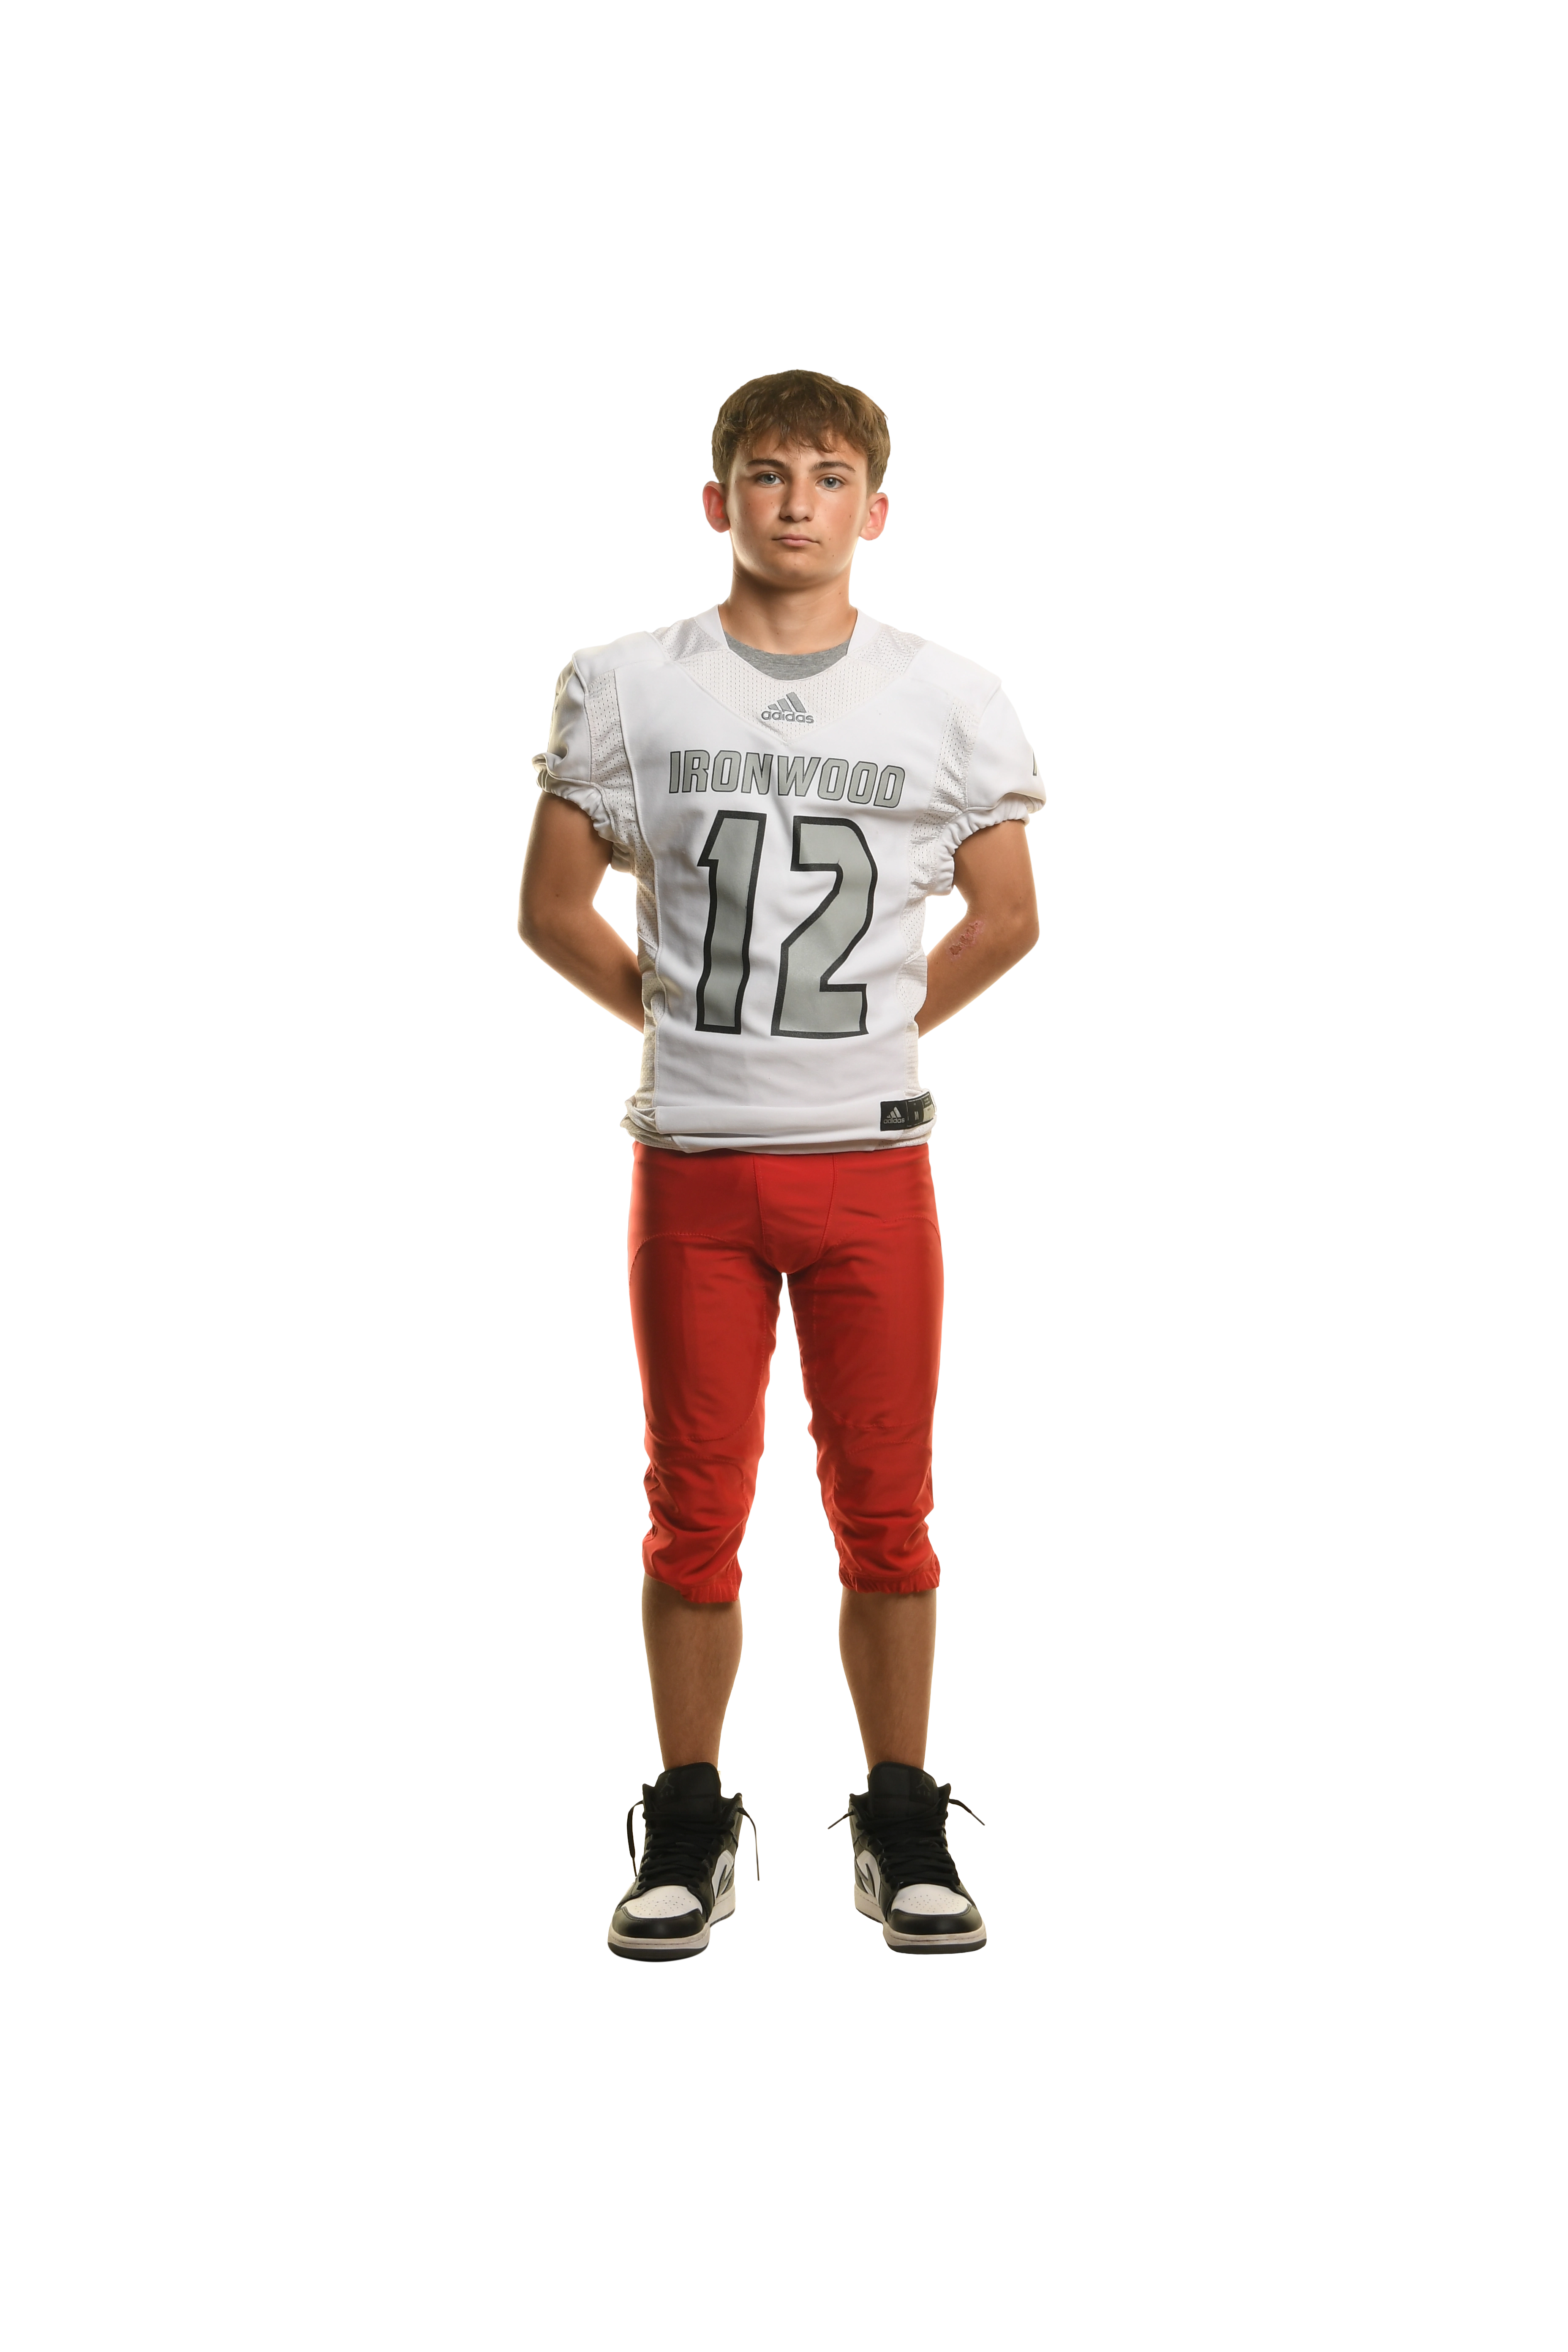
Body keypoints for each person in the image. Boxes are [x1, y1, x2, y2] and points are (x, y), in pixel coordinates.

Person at [519, 368, 1042, 1960]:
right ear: (717, 499)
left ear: (876, 509)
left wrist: (870, 1032)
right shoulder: (629, 683)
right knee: (694, 1505)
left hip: (869, 1164)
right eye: (766, 472)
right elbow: (551, 909)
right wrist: (682, 1020)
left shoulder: (946, 694)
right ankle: (691, 1813)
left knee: (889, 1505)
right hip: (695, 1161)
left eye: (828, 475)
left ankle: (900, 1809)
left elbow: (1009, 916)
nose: (796, 501)